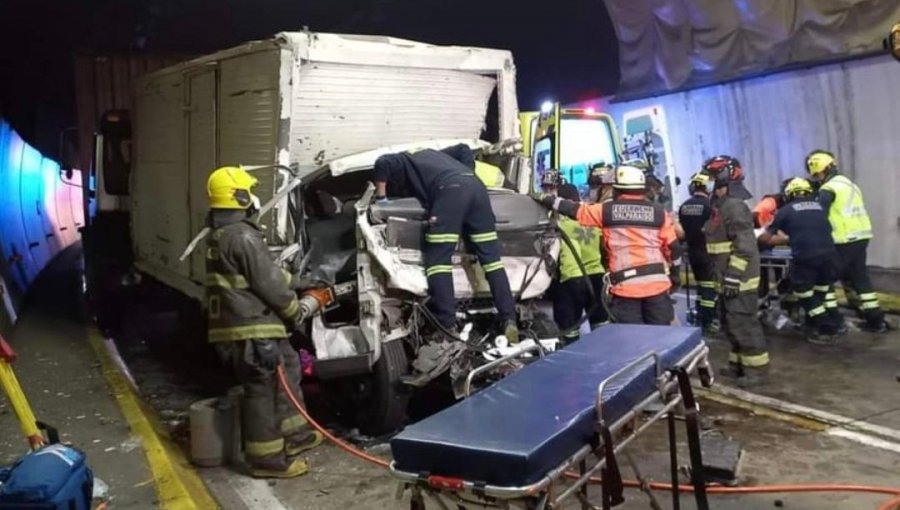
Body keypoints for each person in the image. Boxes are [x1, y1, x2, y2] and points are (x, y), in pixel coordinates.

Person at [205, 166, 322, 479]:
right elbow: (269, 283)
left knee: (290, 368)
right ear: (240, 196)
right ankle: (266, 461)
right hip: (252, 329)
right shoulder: (242, 235)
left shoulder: (225, 234)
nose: (254, 197)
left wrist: (300, 281)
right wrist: (296, 310)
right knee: (261, 391)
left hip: (257, 326)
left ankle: (296, 436)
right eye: (249, 190)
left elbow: (265, 274)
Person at [373, 144, 518, 342]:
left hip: (450, 191)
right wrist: (468, 173)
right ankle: (508, 318)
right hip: (477, 189)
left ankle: (446, 325)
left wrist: (381, 198)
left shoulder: (403, 159)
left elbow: (382, 162)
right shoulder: (435, 156)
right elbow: (464, 149)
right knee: (492, 262)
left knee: (438, 261)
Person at [536, 165, 680, 325]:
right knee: (661, 339)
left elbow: (574, 210)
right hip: (657, 287)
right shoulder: (660, 213)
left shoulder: (607, 211)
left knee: (632, 342)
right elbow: (674, 249)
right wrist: (675, 276)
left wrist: (546, 199)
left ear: (616, 190)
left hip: (626, 290)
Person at [701, 155, 770, 387]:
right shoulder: (720, 206)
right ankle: (738, 364)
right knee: (731, 323)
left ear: (724, 178)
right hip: (727, 279)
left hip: (740, 281)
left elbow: (745, 247)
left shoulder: (734, 206)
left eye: (712, 177)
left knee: (744, 324)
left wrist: (732, 276)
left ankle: (757, 371)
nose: (708, 182)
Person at [806, 150, 887, 333]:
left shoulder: (828, 189)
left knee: (824, 278)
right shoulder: (850, 185)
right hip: (861, 237)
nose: (817, 178)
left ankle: (833, 318)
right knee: (860, 278)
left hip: (843, 240)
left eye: (817, 174)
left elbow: (820, 216)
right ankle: (875, 320)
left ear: (822, 171)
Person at [758, 178, 845, 344]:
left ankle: (826, 327)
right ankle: (813, 324)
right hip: (830, 256)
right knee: (820, 290)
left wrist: (782, 239)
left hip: (807, 257)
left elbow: (766, 238)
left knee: (803, 291)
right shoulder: (820, 207)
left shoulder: (785, 210)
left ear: (789, 194)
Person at [678, 172, 718, 333]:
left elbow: (681, 231)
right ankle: (708, 321)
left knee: (701, 287)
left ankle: (700, 315)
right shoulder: (710, 207)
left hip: (692, 253)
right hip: (708, 252)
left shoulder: (684, 206)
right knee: (710, 288)